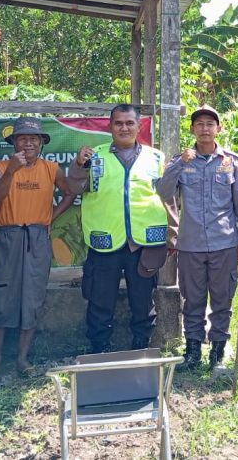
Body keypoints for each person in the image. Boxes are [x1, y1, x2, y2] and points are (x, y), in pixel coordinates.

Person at [156, 105, 238, 370]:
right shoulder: (182, 160)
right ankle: (193, 350)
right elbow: (164, 192)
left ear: (218, 129)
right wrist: (178, 165)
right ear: (192, 129)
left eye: (210, 124)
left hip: (224, 243)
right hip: (191, 244)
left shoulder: (231, 161)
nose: (205, 128)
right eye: (199, 124)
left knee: (222, 299)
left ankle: (218, 350)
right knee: (193, 300)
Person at [68, 104, 170, 352]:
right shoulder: (93, 157)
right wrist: (79, 166)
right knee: (100, 299)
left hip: (142, 242)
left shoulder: (156, 158)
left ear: (139, 126)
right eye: (118, 123)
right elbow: (73, 189)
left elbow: (170, 198)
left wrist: (173, 236)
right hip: (105, 240)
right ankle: (99, 346)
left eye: (129, 123)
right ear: (109, 126)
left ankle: (141, 345)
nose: (124, 128)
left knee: (143, 299)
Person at [0, 117, 75, 374]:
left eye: (33, 139)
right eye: (22, 138)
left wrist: (51, 218)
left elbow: (69, 193)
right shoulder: (1, 166)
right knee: (2, 294)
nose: (28, 143)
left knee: (33, 295)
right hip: (9, 235)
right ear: (14, 142)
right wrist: (13, 170)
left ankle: (23, 359)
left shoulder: (51, 168)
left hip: (37, 236)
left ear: (41, 143)